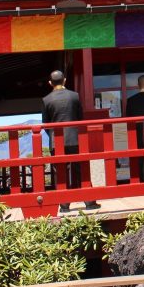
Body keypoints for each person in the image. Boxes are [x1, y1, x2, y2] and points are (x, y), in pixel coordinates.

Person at [42, 70, 100, 212]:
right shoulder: (74, 96)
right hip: (75, 138)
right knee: (81, 169)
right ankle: (89, 202)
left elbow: (45, 123)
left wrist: (53, 137)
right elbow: (80, 118)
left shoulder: (46, 100)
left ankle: (64, 205)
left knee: (60, 173)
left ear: (50, 83)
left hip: (57, 140)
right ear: (65, 80)